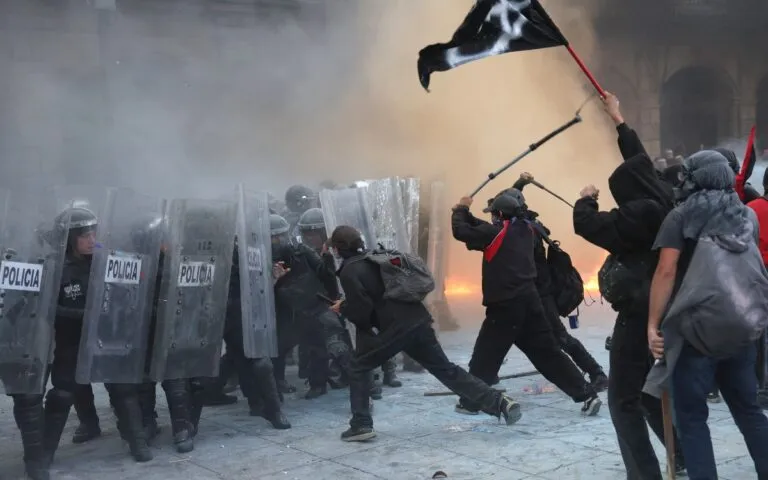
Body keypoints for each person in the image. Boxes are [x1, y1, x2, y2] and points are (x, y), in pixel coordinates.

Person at [574, 91, 685, 478]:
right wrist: (618, 118)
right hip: (668, 308)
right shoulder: (664, 197)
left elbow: (589, 225)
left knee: (623, 401)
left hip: (641, 314)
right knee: (646, 392)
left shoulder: (642, 212)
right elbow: (639, 161)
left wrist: (586, 200)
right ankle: (682, 455)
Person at [328, 225, 521, 442]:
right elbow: (379, 294)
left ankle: (361, 425)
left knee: (358, 367)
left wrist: (342, 308)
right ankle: (500, 402)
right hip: (417, 321)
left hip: (393, 329)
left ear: (338, 248)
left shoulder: (349, 270)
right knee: (446, 369)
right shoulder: (375, 259)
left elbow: (362, 310)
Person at [648, 150, 768, 479]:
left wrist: (652, 325)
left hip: (695, 332)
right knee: (749, 411)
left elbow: (666, 271)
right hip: (742, 326)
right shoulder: (747, 215)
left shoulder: (680, 215)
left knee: (691, 417)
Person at [452, 191, 601, 417]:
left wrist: (461, 209)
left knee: (485, 355)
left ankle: (471, 401)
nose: (491, 218)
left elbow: (461, 231)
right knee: (549, 354)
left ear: (500, 214)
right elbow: (483, 227)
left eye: (494, 214)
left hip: (505, 306)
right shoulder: (528, 229)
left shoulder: (496, 233)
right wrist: (469, 214)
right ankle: (587, 394)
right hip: (531, 303)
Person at [506, 172, 608, 392]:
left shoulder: (524, 231)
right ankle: (483, 375)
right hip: (529, 293)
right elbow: (510, 198)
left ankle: (595, 373)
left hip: (539, 294)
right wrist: (521, 184)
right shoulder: (519, 224)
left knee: (559, 338)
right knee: (506, 333)